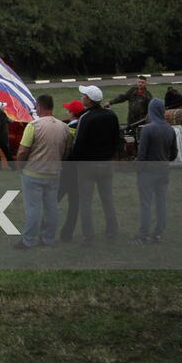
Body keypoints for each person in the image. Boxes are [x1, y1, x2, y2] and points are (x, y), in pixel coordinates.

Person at [13, 94, 71, 250]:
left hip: (33, 172)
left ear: (39, 106)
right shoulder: (64, 127)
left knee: (33, 208)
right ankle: (48, 238)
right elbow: (66, 151)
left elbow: (22, 151)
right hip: (54, 173)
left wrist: (20, 166)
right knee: (51, 207)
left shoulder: (33, 126)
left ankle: (29, 240)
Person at [69, 84, 120, 243]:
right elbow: (116, 139)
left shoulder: (85, 118)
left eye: (83, 95)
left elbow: (79, 143)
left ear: (89, 100)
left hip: (87, 165)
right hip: (106, 162)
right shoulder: (111, 115)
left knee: (86, 201)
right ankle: (112, 231)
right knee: (107, 199)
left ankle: (88, 236)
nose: (81, 97)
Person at [133, 97, 177, 244]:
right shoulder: (170, 129)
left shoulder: (147, 130)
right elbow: (174, 154)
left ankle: (143, 235)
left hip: (148, 172)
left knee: (146, 204)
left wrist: (137, 168)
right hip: (164, 171)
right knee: (161, 203)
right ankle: (158, 233)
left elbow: (142, 154)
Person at [57, 99, 86, 242]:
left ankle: (45, 228)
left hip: (67, 170)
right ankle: (67, 233)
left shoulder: (68, 128)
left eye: (68, 110)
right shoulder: (84, 125)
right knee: (74, 204)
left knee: (53, 199)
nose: (65, 112)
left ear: (72, 113)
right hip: (80, 171)